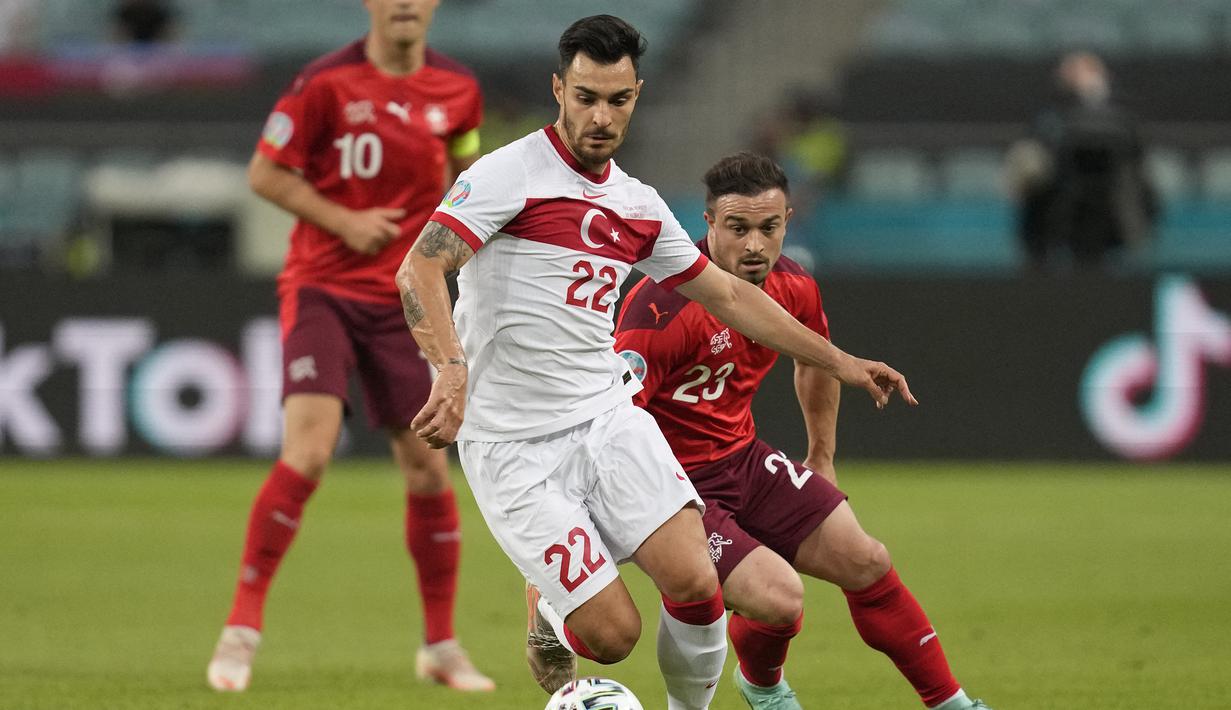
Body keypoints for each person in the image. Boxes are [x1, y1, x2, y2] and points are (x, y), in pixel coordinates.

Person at [395, 15, 917, 710]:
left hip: (608, 421)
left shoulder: (636, 204)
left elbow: (730, 295)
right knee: (614, 636)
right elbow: (420, 268)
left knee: (697, 582)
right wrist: (451, 369)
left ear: (636, 95)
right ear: (559, 90)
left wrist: (840, 360)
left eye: (617, 100)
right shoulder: (505, 175)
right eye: (586, 97)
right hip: (513, 444)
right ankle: (553, 610)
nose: (601, 116)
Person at [613, 152, 991, 710]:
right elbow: (614, 421)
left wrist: (822, 454)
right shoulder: (661, 309)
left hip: (742, 459)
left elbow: (814, 362)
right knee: (781, 598)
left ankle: (952, 704)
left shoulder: (794, 285)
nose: (755, 246)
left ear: (788, 220)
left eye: (769, 228)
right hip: (675, 486)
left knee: (866, 560)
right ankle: (765, 690)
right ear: (708, 223)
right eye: (737, 229)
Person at [206, 0, 492, 694]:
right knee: (308, 451)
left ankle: (440, 646)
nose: (404, 4)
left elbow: (469, 185)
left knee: (427, 468)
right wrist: (344, 220)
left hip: (404, 301)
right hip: (324, 289)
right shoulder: (324, 83)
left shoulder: (459, 90)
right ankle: (240, 631)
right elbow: (264, 173)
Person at [1006, 51, 1157, 271]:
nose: (1076, 78)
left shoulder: (1119, 114)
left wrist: (1094, 98)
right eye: (1070, 73)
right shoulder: (1049, 115)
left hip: (1104, 210)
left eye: (1084, 72)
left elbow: (1131, 152)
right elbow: (1036, 152)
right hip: (1053, 207)